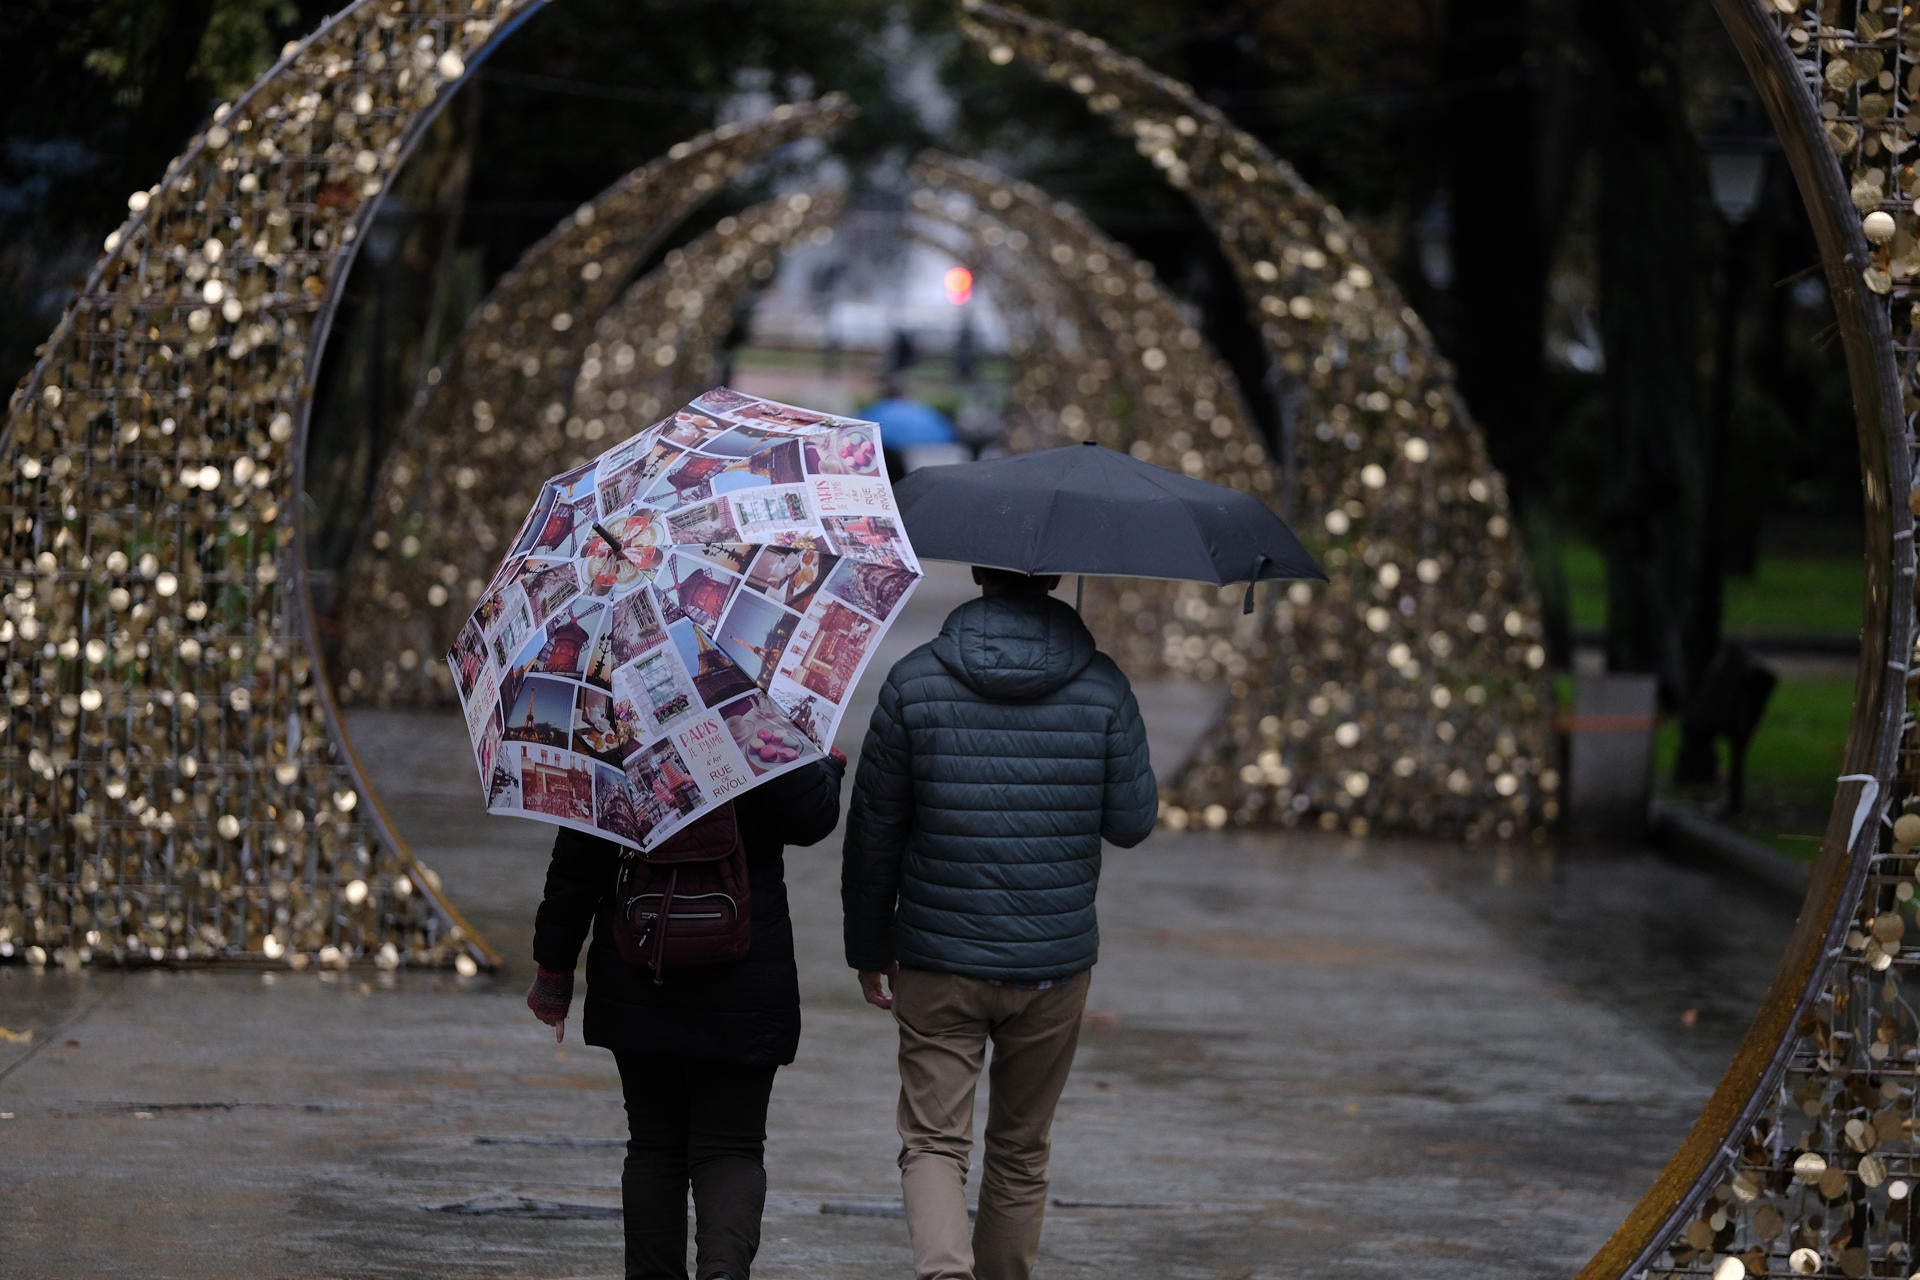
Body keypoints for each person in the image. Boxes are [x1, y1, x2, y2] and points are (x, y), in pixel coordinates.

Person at [841, 568, 1157, 1280]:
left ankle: (945, 1271)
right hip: (1053, 964)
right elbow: (1132, 823)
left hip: (936, 957)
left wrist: (869, 945)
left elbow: (874, 832)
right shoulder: (1103, 685)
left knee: (932, 1142)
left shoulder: (913, 681)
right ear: (1055, 577)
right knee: (1020, 1150)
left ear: (980, 576)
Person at [526, 752, 845, 1280]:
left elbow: (578, 858)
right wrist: (822, 764)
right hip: (743, 972)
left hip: (639, 967)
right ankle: (723, 1271)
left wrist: (554, 972)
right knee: (732, 1145)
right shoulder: (751, 709)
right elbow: (811, 818)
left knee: (654, 1146)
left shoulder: (610, 726)